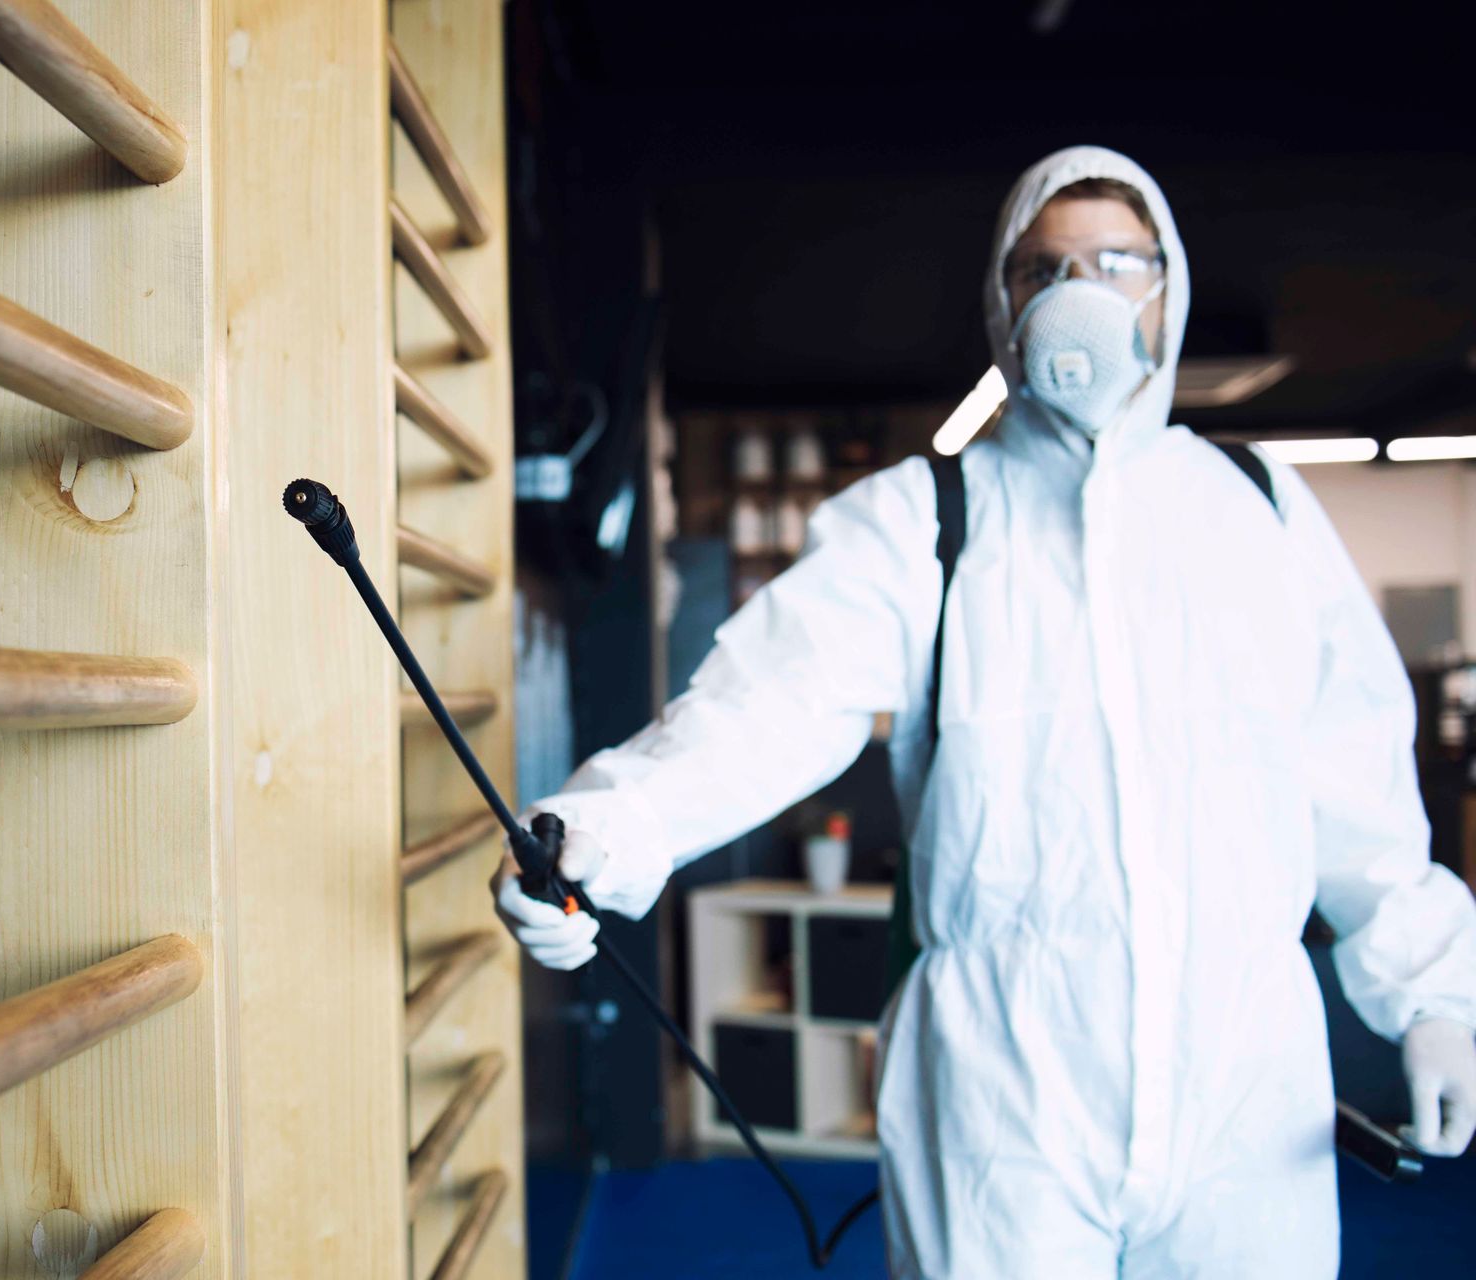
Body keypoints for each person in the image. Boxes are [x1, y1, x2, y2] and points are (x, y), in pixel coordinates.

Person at [491, 146, 1476, 1277]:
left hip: (1248, 1090)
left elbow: (1356, 783)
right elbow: (765, 702)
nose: (1083, 293)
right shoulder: (924, 519)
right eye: (1044, 268)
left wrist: (1435, 997)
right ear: (1004, 304)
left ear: (1171, 285)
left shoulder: (1257, 509)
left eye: (1117, 262)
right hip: (1005, 1093)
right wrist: (606, 835)